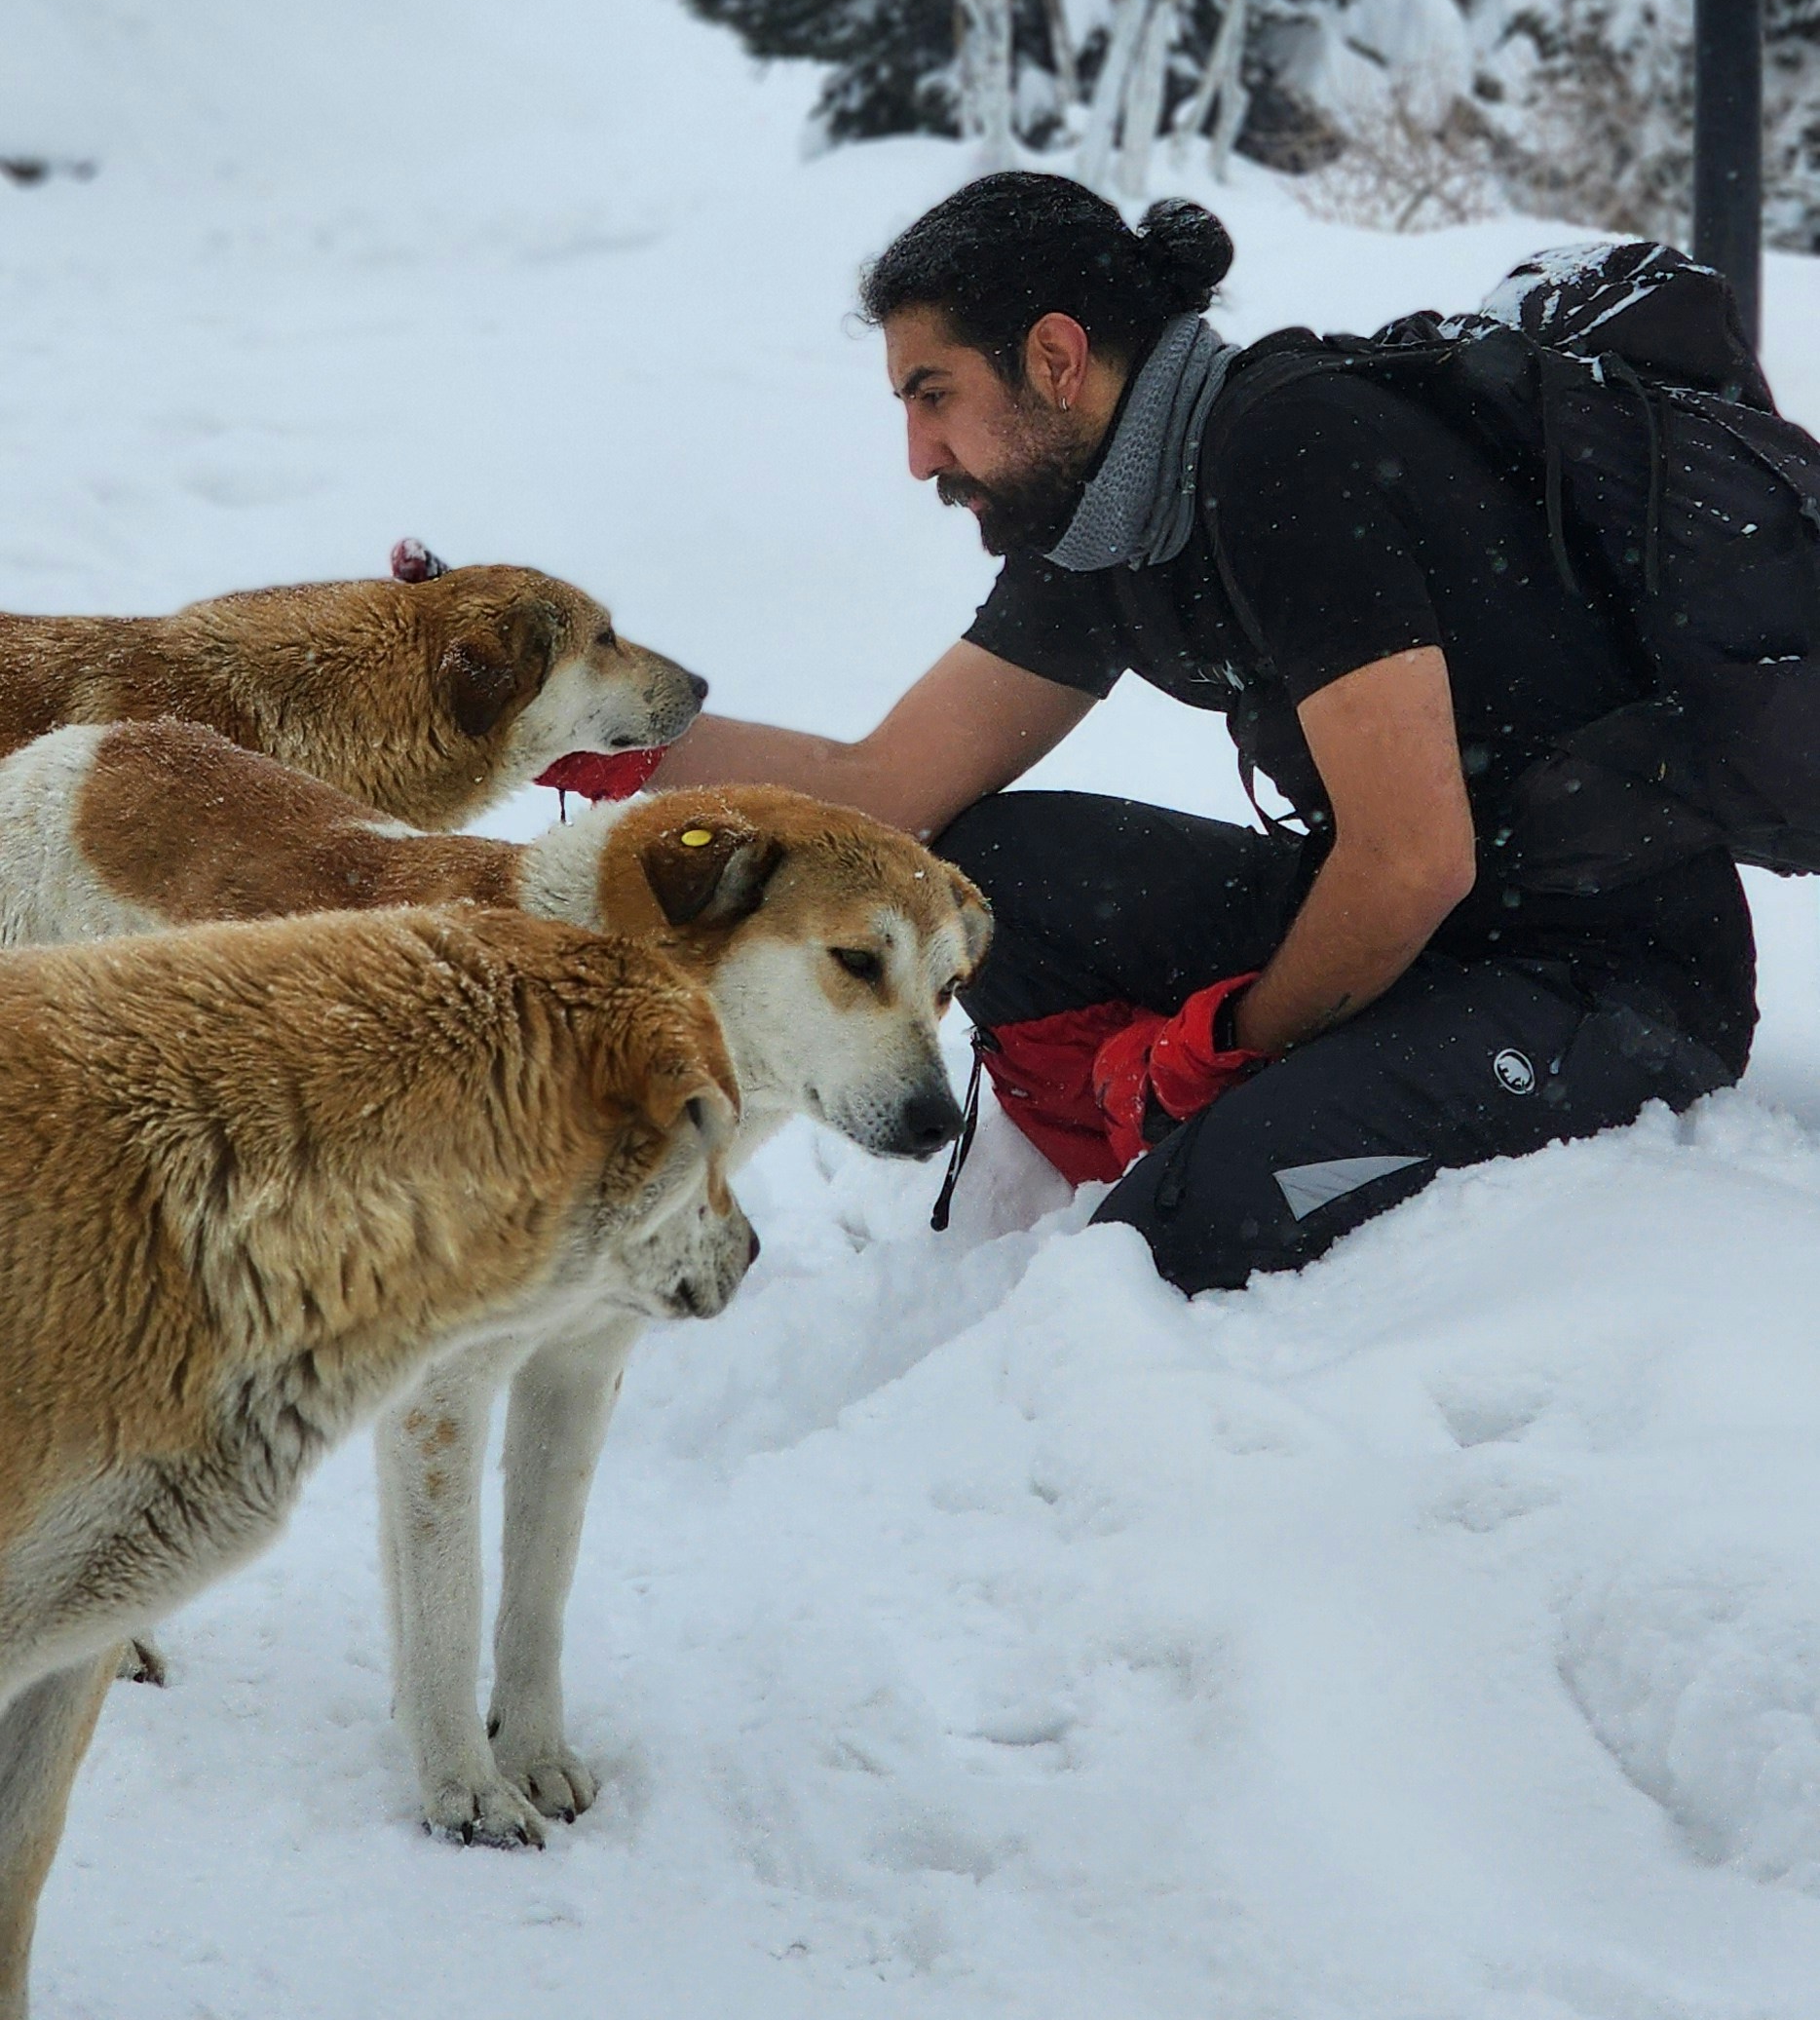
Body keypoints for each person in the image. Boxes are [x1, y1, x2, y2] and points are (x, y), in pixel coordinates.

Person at [655, 172, 1753, 1295]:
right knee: (979, 880)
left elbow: (1411, 858)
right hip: (1419, 938)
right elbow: (881, 786)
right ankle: (1112, 1161)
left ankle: (1181, 1158)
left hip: (1603, 980)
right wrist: (579, 721)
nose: (917, 453)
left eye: (931, 394)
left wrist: (1216, 1045)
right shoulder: (1108, 523)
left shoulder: (1290, 453)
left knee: (1176, 1237)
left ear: (1053, 358)